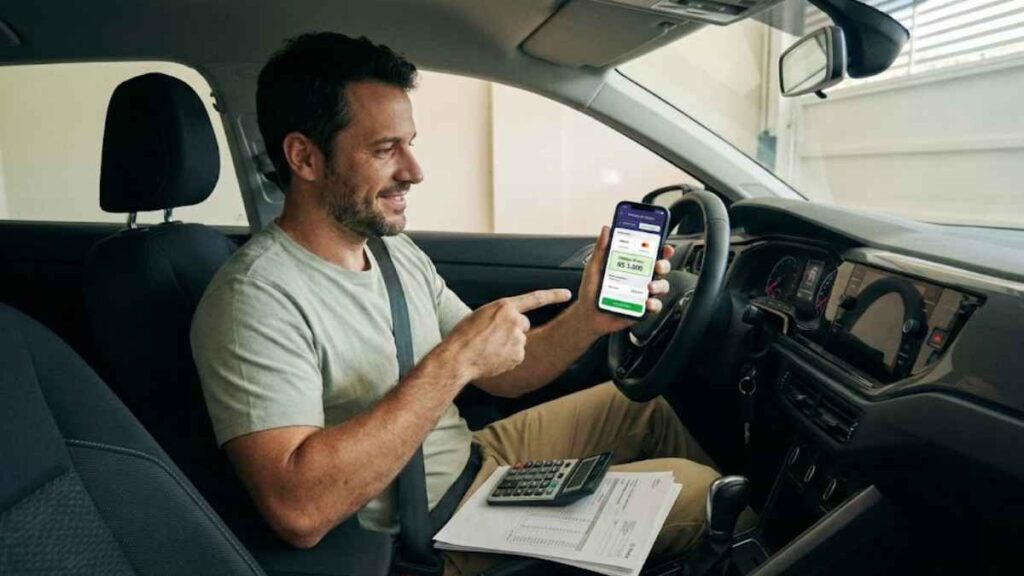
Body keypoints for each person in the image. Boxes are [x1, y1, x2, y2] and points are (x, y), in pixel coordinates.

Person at [191, 32, 720, 576]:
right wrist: (455, 362)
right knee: (703, 496)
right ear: (304, 157)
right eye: (383, 149)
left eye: (410, 143)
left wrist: (589, 318)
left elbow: (502, 376)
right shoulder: (253, 301)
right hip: (427, 536)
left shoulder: (392, 252)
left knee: (644, 408)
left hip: (473, 460)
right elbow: (298, 510)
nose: (414, 171)